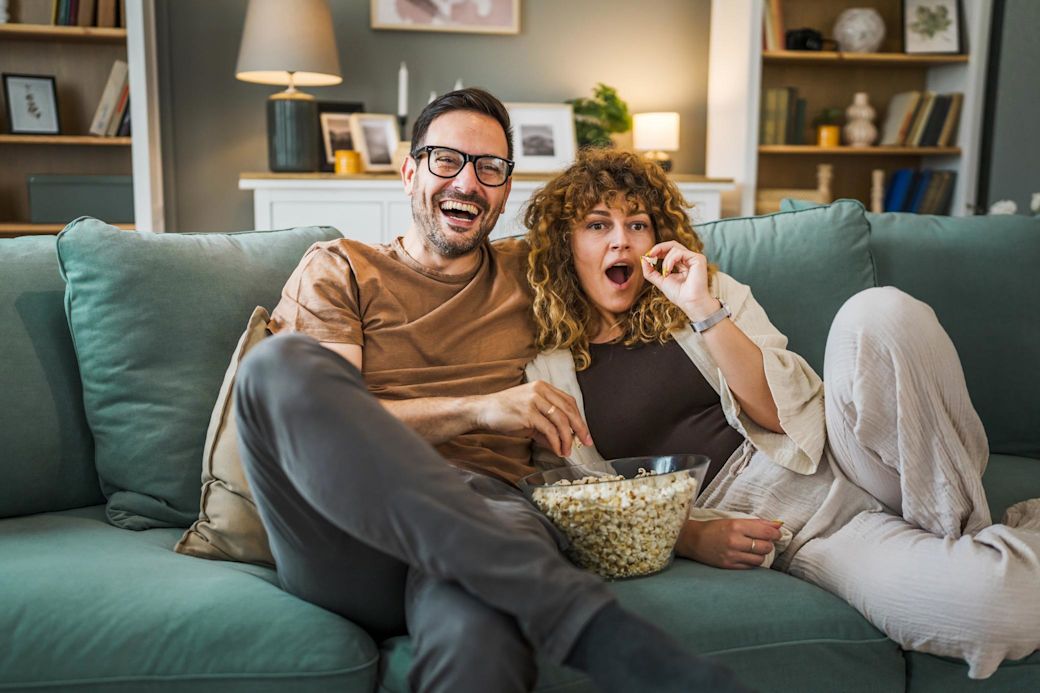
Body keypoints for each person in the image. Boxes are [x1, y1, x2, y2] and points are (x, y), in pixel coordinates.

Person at [233, 89, 749, 693]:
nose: (468, 182)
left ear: (506, 190)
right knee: (278, 365)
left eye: (490, 168)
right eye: (446, 160)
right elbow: (330, 426)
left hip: (492, 519)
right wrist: (480, 408)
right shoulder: (341, 267)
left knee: (479, 638)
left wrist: (691, 293)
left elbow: (626, 255)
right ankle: (583, 623)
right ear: (409, 172)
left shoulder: (537, 275)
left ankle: (549, 607)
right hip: (349, 531)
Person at [523, 147, 1040, 680]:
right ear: (567, 243)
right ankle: (963, 543)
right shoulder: (546, 368)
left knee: (878, 313)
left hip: (849, 450)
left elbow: (777, 413)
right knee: (997, 607)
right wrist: (689, 535)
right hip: (798, 528)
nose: (621, 240)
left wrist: (701, 310)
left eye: (637, 224)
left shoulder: (709, 292)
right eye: (597, 225)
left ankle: (955, 529)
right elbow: (576, 500)